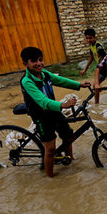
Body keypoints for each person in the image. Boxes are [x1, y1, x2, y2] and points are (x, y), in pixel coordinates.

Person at [20, 46, 91, 177]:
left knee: (68, 137)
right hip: (41, 115)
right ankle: (50, 177)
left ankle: (71, 160)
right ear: (25, 63)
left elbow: (59, 80)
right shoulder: (27, 81)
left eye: (40, 60)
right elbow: (43, 101)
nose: (39, 63)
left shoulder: (44, 74)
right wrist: (63, 104)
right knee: (51, 149)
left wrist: (78, 85)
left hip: (53, 110)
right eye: (34, 61)